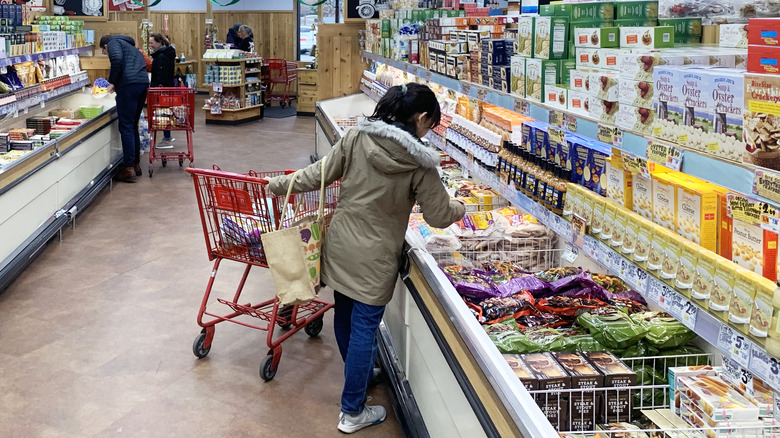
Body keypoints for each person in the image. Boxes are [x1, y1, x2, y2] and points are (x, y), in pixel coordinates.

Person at [268, 83, 465, 434]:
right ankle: (352, 410)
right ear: (421, 118)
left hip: (341, 245)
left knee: (344, 318)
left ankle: (357, 378)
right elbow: (438, 215)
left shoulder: (357, 137)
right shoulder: (420, 163)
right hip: (377, 259)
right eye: (430, 124)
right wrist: (460, 207)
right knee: (364, 331)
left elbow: (319, 174)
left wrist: (279, 185)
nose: (429, 131)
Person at [101, 35, 149, 182]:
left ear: (105, 46)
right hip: (142, 83)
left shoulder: (113, 42)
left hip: (129, 85)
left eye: (104, 52)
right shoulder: (131, 47)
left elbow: (117, 60)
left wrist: (112, 83)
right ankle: (136, 164)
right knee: (133, 125)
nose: (106, 54)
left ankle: (128, 168)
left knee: (126, 126)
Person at [148, 33, 176, 147]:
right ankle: (167, 136)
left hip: (162, 90)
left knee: (163, 113)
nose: (150, 45)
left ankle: (167, 138)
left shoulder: (161, 56)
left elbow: (161, 74)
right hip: (167, 87)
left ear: (159, 43)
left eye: (152, 43)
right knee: (166, 112)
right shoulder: (166, 54)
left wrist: (158, 86)